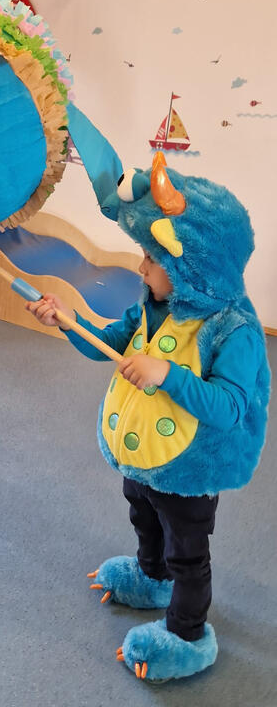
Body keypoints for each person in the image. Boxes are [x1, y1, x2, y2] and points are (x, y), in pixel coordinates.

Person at [26, 151, 270, 683]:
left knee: (189, 553)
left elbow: (229, 409)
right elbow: (106, 345)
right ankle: (149, 574)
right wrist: (67, 321)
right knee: (142, 513)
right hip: (145, 459)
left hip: (188, 471)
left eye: (152, 259)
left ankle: (186, 634)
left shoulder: (235, 330)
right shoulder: (149, 307)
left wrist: (167, 374)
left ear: (189, 267)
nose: (141, 267)